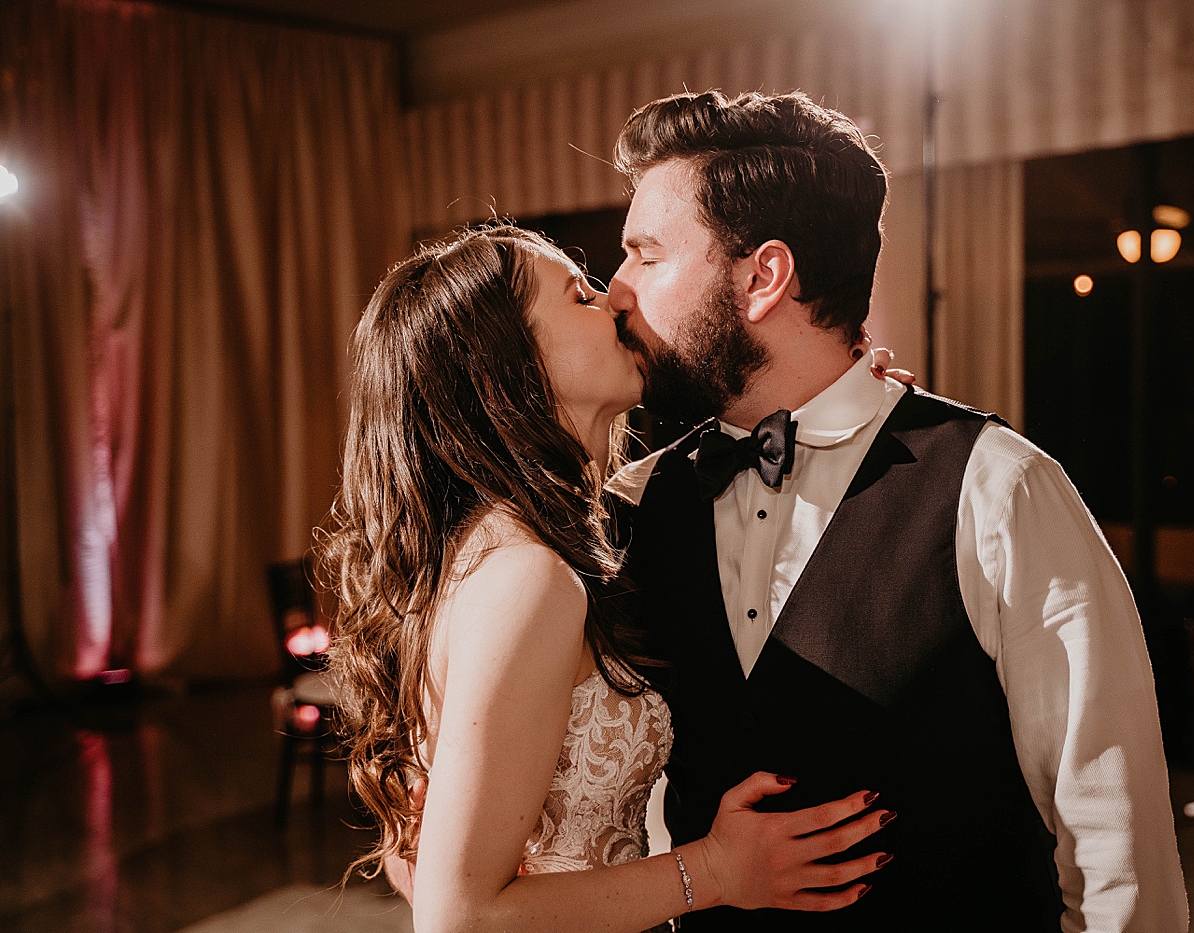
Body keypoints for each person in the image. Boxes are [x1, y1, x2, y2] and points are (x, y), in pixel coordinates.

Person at [604, 91, 1190, 931]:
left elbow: (1117, 850)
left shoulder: (999, 490)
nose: (616, 289)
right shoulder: (631, 506)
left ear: (764, 277)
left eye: (647, 256)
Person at [322, 225, 895, 933]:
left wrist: (840, 407)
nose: (618, 298)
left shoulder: (513, 541)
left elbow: (425, 852)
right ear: (511, 359)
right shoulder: (526, 576)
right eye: (580, 292)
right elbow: (456, 915)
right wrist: (713, 871)